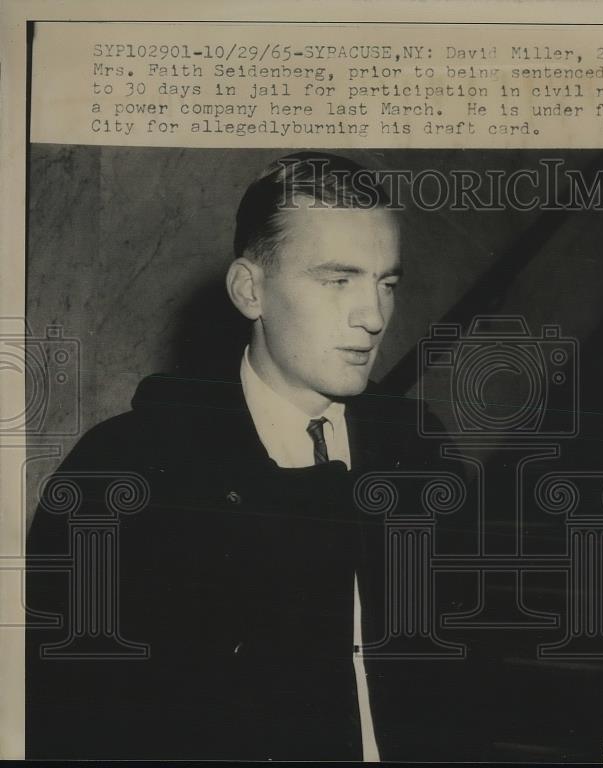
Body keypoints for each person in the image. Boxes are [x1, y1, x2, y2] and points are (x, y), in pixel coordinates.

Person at [26, 153, 480, 760]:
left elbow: (470, 678)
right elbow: (67, 711)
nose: (373, 317)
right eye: (337, 279)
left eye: (387, 283)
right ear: (250, 290)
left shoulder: (422, 451)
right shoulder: (126, 470)